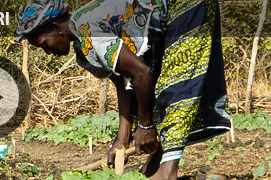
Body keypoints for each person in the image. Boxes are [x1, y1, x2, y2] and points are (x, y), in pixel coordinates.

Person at [14, 0, 232, 178]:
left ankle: (167, 171)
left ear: (54, 29)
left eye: (44, 44)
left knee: (175, 85)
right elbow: (124, 83)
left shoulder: (87, 31)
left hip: (183, 5)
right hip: (167, 17)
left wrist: (145, 126)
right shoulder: (83, 48)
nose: (47, 52)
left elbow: (141, 73)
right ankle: (157, 162)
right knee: (150, 91)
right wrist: (121, 139)